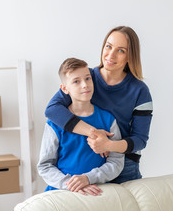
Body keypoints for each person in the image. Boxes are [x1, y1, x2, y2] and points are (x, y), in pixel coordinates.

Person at [45, 26, 153, 183]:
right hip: (86, 160)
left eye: (121, 50)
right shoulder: (85, 78)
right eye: (108, 46)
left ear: (130, 56)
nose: (111, 55)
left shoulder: (140, 91)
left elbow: (140, 139)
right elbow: (52, 110)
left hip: (123, 164)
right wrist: (94, 133)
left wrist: (109, 145)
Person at [37, 58, 124, 196]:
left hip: (97, 192)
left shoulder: (108, 120)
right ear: (65, 88)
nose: (85, 85)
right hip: (61, 192)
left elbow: (116, 162)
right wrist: (72, 184)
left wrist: (88, 178)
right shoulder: (54, 123)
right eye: (76, 81)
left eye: (88, 78)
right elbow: (45, 166)